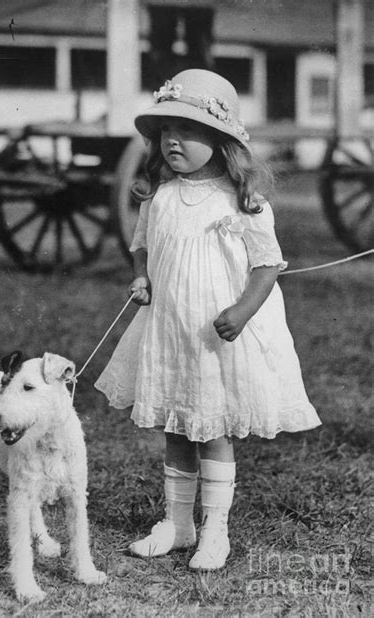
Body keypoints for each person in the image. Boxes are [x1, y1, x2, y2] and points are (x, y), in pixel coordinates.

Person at [95, 69, 321, 570]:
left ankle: (214, 531)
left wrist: (242, 311)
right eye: (166, 131)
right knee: (176, 427)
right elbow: (143, 248)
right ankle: (178, 524)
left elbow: (267, 265)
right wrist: (141, 277)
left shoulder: (242, 202)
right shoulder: (161, 196)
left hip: (216, 335)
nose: (173, 141)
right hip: (170, 330)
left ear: (220, 141)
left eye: (188, 130)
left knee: (211, 429)